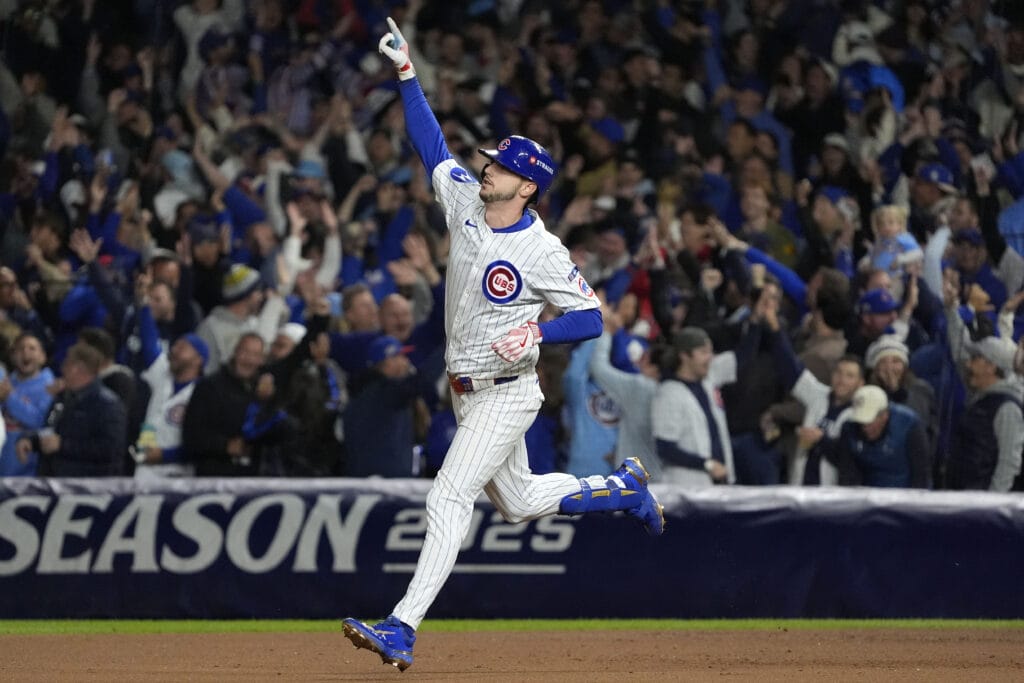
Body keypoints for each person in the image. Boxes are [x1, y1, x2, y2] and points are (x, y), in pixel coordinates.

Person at [342, 19, 664, 672]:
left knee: (447, 496)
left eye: (502, 166)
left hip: (507, 391)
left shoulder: (542, 250)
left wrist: (540, 331)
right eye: (491, 161)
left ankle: (402, 627)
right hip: (464, 389)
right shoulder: (464, 198)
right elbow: (430, 144)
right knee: (516, 502)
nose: (487, 168)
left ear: (527, 186)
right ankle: (623, 491)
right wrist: (407, 73)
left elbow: (591, 317)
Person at [25, 342, 127, 477]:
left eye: (66, 363)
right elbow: (50, 428)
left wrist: (63, 445)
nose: (62, 369)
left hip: (87, 485)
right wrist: (32, 441)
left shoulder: (108, 405)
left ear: (77, 368)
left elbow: (111, 449)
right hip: (55, 480)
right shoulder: (63, 398)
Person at [820, 385, 932, 488]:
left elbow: (921, 475)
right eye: (861, 422)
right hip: (866, 497)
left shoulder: (910, 426)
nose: (865, 428)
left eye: (869, 421)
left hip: (904, 497)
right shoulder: (850, 428)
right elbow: (848, 475)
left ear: (884, 415)